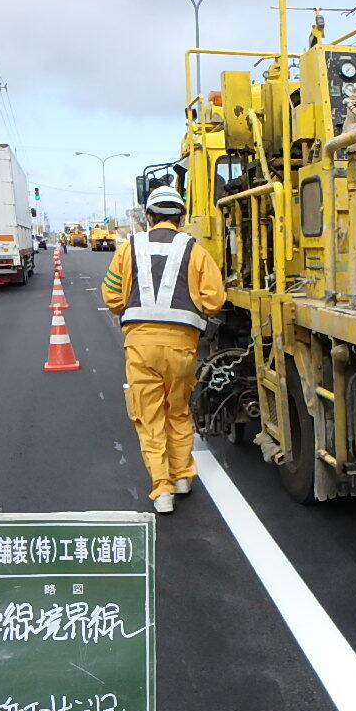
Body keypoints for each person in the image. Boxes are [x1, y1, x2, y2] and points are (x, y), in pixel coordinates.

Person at [101, 186, 226, 514]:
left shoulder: (129, 248)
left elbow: (112, 297)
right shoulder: (194, 249)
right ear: (181, 218)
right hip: (182, 350)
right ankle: (183, 475)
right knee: (179, 411)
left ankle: (162, 490)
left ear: (149, 216)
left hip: (140, 348)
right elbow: (214, 300)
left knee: (149, 417)